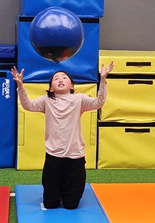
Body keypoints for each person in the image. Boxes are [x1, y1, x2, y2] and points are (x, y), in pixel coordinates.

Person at [11, 62, 114, 210]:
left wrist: (103, 80)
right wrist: (21, 86)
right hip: (54, 156)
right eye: (56, 78)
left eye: (64, 78)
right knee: (50, 204)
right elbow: (28, 105)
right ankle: (56, 192)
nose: (60, 79)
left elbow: (99, 102)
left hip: (75, 156)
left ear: (71, 86)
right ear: (51, 88)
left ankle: (68, 192)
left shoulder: (79, 99)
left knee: (71, 205)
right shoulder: (47, 100)